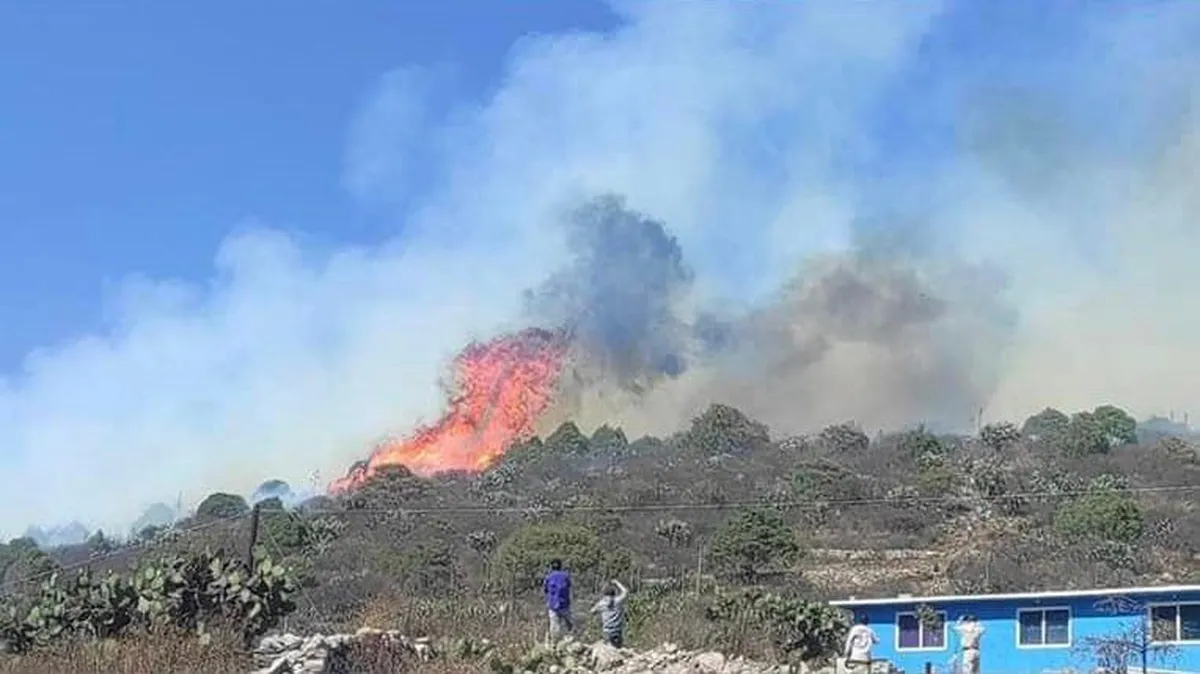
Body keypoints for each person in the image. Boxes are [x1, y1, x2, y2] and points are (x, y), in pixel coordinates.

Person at [590, 579, 629, 648]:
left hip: (607, 631)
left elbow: (592, 611)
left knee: (608, 650)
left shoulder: (601, 603)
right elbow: (625, 591)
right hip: (617, 630)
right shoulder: (617, 601)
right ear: (614, 594)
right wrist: (617, 582)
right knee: (618, 649)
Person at [543, 559, 573, 643]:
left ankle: (555, 643)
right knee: (570, 624)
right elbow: (569, 585)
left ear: (551, 567)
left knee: (554, 626)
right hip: (565, 604)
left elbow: (545, 590)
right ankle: (569, 640)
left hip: (552, 605)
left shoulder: (548, 577)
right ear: (561, 566)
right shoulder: (566, 576)